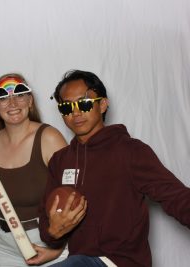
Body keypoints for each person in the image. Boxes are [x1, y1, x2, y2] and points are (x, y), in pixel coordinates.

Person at [39, 69, 190, 267]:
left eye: (83, 103)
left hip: (121, 262)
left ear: (102, 105)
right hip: (79, 259)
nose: (75, 112)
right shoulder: (60, 160)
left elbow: (176, 197)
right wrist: (53, 231)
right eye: (66, 107)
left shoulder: (131, 151)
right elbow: (46, 223)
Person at [0, 73, 70, 266]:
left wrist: (57, 249)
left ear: (30, 101)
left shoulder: (49, 138)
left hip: (45, 242)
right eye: (3, 98)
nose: (12, 103)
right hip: (3, 246)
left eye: (20, 94)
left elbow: (73, 197)